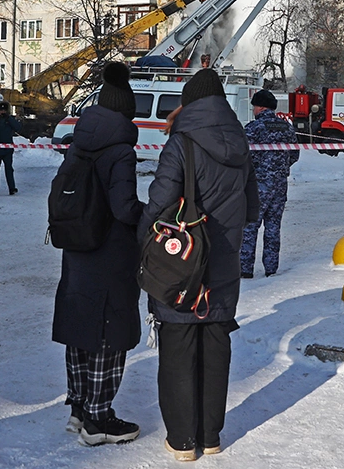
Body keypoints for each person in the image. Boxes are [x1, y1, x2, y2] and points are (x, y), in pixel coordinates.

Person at [140, 67, 258, 461]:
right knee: (215, 347)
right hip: (223, 266)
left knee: (178, 348)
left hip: (182, 265)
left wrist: (142, 242)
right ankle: (210, 436)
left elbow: (158, 203)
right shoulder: (240, 142)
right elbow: (252, 209)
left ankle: (182, 441)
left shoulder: (181, 144)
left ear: (187, 103)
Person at [52, 63, 145, 446]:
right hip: (109, 253)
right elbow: (124, 208)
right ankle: (98, 419)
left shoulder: (80, 142)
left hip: (77, 247)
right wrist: (149, 216)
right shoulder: (119, 150)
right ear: (127, 113)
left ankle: (78, 409)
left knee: (81, 327)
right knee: (110, 332)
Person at [241, 89, 299, 278]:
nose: (254, 110)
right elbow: (294, 155)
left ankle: (245, 268)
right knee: (273, 227)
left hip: (258, 185)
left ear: (260, 107)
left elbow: (243, 155)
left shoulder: (254, 127)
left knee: (250, 226)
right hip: (280, 185)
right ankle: (271, 269)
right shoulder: (287, 127)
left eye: (254, 107)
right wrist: (280, 167)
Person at [0, 102, 23, 195]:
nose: (2, 112)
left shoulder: (9, 120)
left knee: (9, 169)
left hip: (7, 149)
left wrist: (9, 118)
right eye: (1, 110)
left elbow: (18, 127)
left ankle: (12, 188)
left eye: (4, 110)